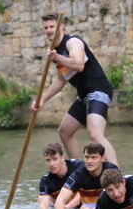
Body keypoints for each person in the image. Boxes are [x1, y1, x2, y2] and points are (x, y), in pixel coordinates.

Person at [32, 14, 118, 165]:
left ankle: (116, 176)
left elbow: (79, 65)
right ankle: (79, 173)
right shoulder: (55, 50)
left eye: (52, 26)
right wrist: (42, 100)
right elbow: (61, 79)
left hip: (98, 90)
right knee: (65, 131)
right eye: (46, 28)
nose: (49, 30)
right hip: (84, 95)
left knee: (95, 134)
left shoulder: (73, 42)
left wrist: (57, 57)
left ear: (62, 27)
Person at [52, 142, 119, 209]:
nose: (89, 161)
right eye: (87, 157)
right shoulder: (78, 175)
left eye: (94, 157)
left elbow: (119, 196)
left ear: (102, 158)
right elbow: (59, 201)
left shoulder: (112, 170)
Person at [38, 142, 85, 209]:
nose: (51, 164)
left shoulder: (78, 166)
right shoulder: (46, 180)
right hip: (69, 208)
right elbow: (43, 204)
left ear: (62, 158)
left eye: (55, 159)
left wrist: (66, 208)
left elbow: (85, 191)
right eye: (48, 160)